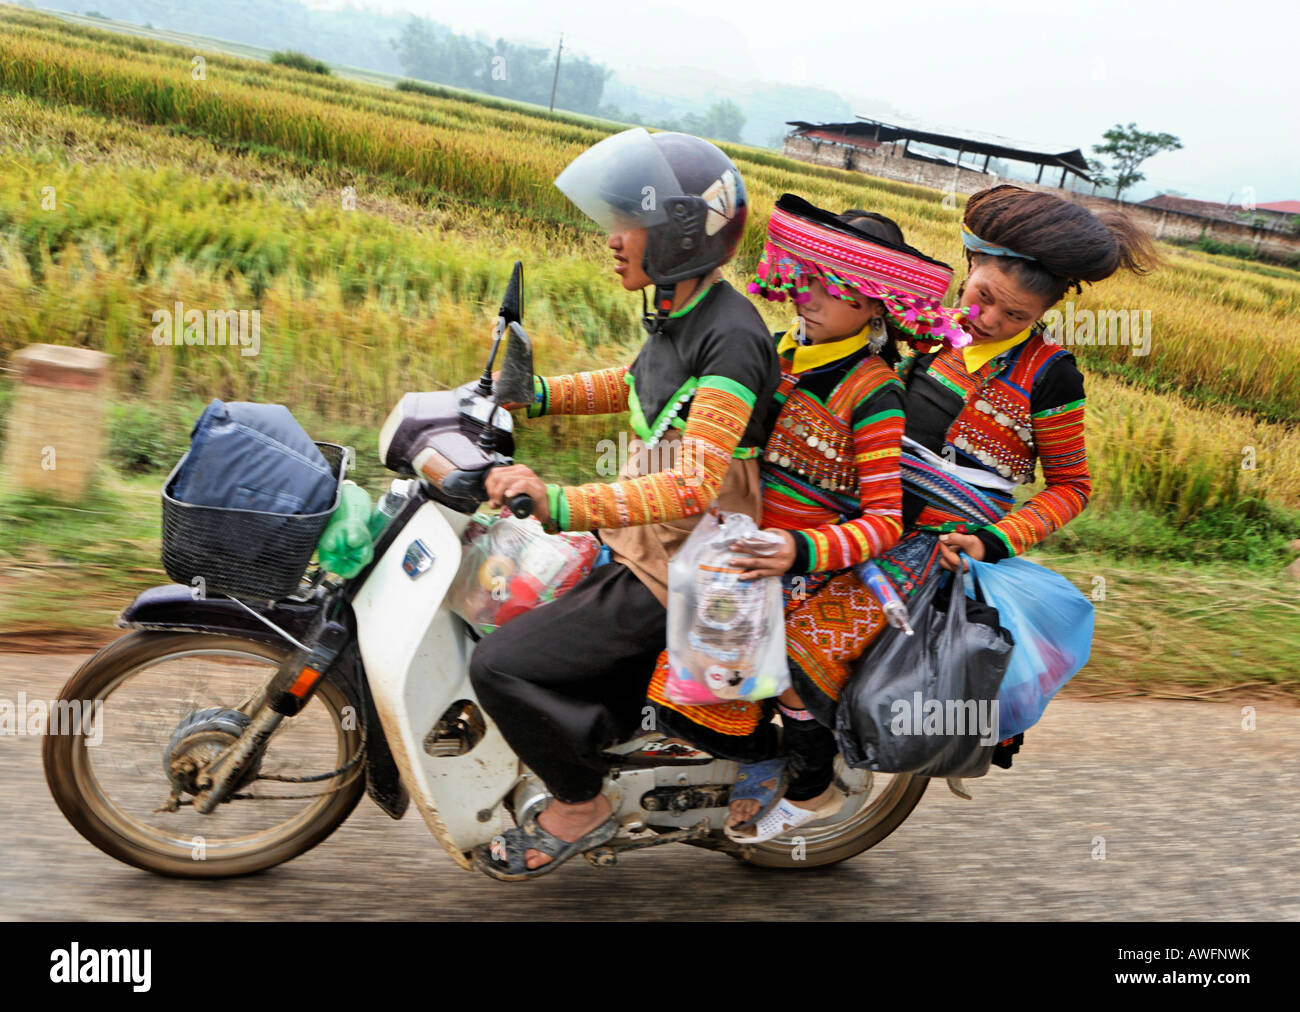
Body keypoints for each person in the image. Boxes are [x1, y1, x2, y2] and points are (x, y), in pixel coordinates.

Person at [467, 128, 782, 880]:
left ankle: (581, 803)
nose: (611, 241)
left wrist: (562, 502)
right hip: (640, 546)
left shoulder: (733, 338)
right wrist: (533, 397)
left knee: (499, 665)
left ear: (677, 236)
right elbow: (636, 384)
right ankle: (595, 739)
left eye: (625, 225)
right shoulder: (680, 312)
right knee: (489, 598)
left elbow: (692, 483)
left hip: (682, 569)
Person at [645, 194, 974, 842]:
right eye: (809, 277)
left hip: (821, 564)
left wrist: (798, 552)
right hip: (736, 533)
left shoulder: (874, 392)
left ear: (875, 306)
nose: (809, 294)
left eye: (834, 285)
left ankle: (806, 780)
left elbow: (883, 519)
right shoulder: (776, 352)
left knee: (786, 668)